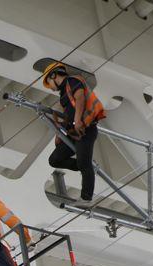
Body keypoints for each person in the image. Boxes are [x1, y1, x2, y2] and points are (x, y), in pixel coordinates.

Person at [42, 62, 105, 206]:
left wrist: (77, 121)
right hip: (73, 133)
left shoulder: (72, 81)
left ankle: (86, 198)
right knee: (55, 160)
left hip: (85, 130)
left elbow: (80, 97)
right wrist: (60, 135)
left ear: (54, 75)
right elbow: (67, 115)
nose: (50, 87)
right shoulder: (64, 92)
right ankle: (86, 166)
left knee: (84, 163)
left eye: (49, 82)